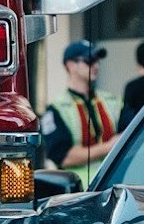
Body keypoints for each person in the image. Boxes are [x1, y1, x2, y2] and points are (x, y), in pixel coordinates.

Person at [40, 40, 122, 188]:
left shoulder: (112, 101)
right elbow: (64, 157)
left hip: (112, 186)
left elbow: (130, 133)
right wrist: (108, 147)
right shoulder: (57, 109)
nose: (96, 66)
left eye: (97, 61)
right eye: (89, 61)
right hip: (77, 191)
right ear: (71, 66)